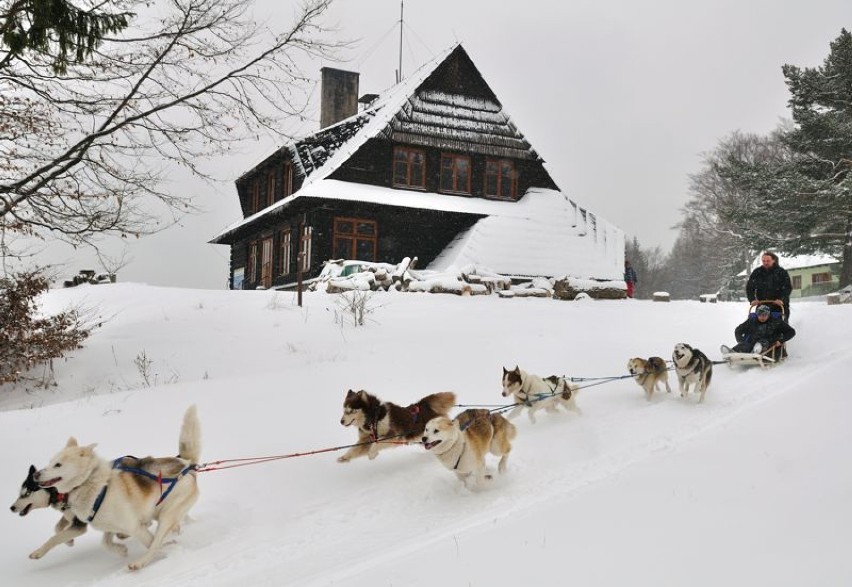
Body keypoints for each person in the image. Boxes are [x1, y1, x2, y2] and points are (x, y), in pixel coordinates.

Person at [721, 304, 796, 361]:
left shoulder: (776, 322)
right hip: (753, 342)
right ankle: (732, 352)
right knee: (745, 345)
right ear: (757, 314)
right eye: (760, 315)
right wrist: (741, 341)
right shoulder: (752, 321)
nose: (762, 317)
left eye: (765, 315)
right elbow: (738, 330)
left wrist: (781, 341)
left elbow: (791, 332)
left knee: (762, 343)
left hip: (770, 343)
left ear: (768, 314)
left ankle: (755, 351)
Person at [746, 251, 792, 321]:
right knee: (758, 324)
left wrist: (781, 299)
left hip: (779, 305)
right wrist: (752, 299)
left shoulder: (781, 272)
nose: (765, 263)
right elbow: (750, 287)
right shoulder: (757, 272)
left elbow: (787, 287)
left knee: (780, 324)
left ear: (773, 260)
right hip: (762, 304)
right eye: (763, 261)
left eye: (768, 261)